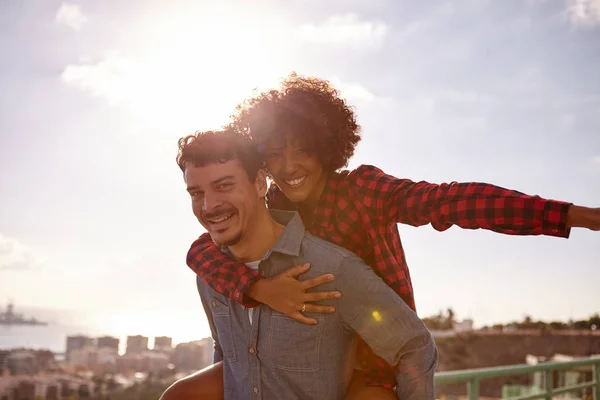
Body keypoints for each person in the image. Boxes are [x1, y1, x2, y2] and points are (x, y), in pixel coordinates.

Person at [179, 73, 600, 395]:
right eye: (274, 152)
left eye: (302, 148)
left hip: (371, 362)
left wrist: (576, 216)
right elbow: (203, 251)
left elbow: (452, 202)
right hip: (294, 361)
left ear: (327, 144)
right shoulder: (269, 205)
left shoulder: (364, 191)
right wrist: (259, 289)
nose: (288, 165)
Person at [167, 129, 438, 400]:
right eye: (196, 193)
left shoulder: (330, 269)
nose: (209, 205)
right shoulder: (210, 276)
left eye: (224, 186)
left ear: (260, 183)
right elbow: (225, 351)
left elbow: (414, 346)